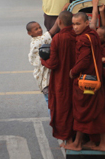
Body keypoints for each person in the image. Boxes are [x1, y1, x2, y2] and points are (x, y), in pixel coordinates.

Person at [66, 12, 105, 151]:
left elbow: (84, 60)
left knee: (82, 111)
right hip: (96, 79)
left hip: (85, 81)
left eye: (78, 24)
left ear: (86, 23)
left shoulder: (83, 39)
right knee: (98, 111)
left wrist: (73, 71)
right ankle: (102, 143)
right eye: (73, 24)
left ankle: (77, 143)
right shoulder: (93, 34)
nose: (75, 27)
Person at [41, 11, 77, 147]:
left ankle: (68, 139)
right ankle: (75, 138)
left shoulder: (58, 38)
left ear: (59, 22)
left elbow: (53, 63)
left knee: (63, 109)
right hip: (76, 78)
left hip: (61, 79)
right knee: (75, 107)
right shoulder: (77, 36)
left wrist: (43, 61)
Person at [27, 20, 60, 106]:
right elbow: (51, 32)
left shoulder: (38, 39)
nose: (39, 30)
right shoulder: (37, 41)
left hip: (45, 77)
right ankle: (53, 118)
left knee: (51, 101)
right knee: (51, 102)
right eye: (36, 29)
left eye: (40, 27)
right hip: (44, 79)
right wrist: (58, 20)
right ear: (29, 33)